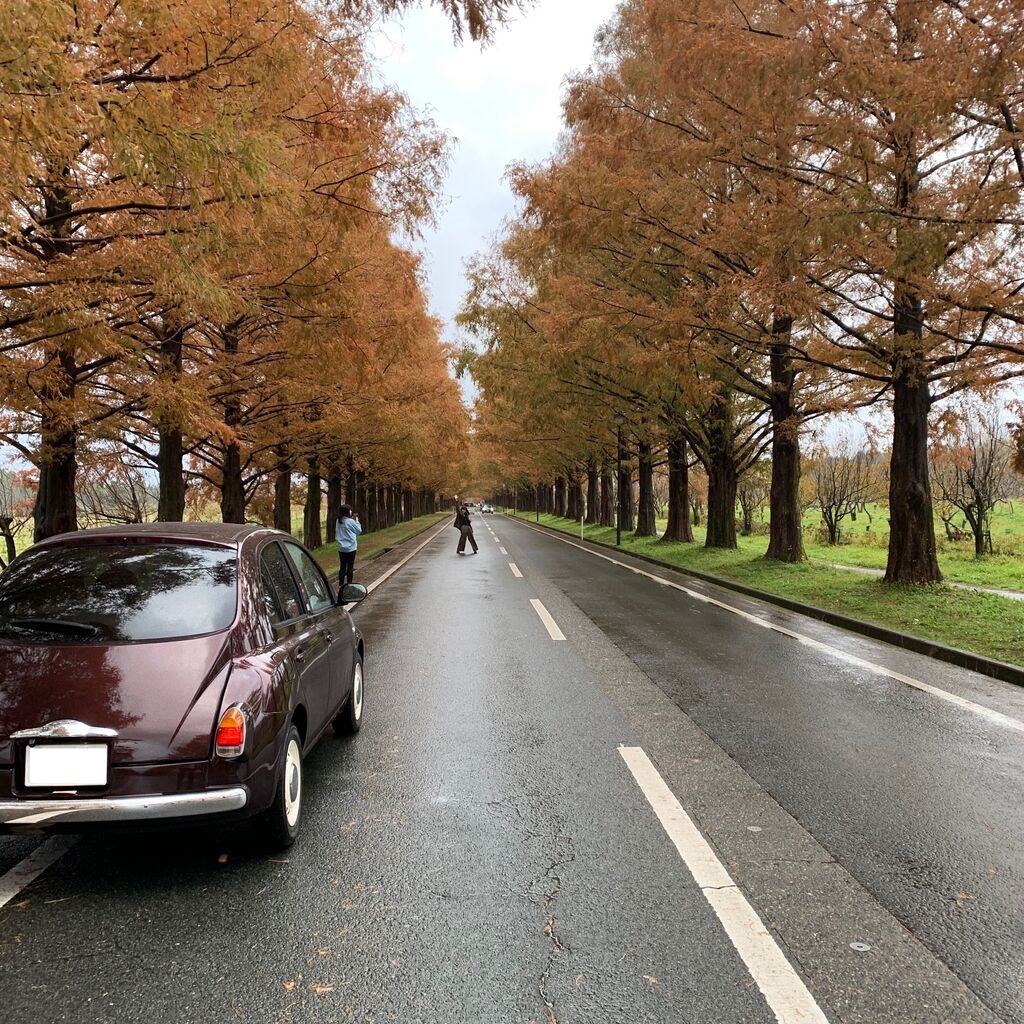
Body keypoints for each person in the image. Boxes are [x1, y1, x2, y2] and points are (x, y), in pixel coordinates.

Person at [335, 504, 362, 585]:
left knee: (342, 567)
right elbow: (358, 530)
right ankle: (349, 584)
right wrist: (357, 521)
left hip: (341, 547)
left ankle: (341, 584)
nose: (351, 511)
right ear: (347, 511)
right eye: (350, 510)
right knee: (350, 567)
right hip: (351, 547)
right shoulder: (350, 521)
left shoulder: (338, 521)